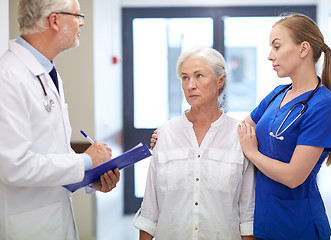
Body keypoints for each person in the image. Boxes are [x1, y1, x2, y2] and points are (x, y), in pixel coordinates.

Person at [0, 0, 120, 239]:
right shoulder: (9, 76)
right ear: (54, 20)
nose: (82, 23)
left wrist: (90, 178)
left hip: (54, 220)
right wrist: (86, 161)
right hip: (28, 227)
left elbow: (51, 151)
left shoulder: (47, 72)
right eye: (77, 16)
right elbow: (14, 167)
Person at [133, 48, 256, 240]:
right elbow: (150, 212)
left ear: (220, 81)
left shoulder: (239, 136)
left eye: (199, 76)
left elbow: (248, 216)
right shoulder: (165, 134)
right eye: (185, 77)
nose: (190, 85)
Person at [237, 13, 331, 240]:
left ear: (303, 49)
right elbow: (239, 132)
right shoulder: (278, 94)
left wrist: (252, 153)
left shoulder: (324, 106)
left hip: (298, 226)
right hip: (264, 221)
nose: (269, 56)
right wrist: (174, 135)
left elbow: (294, 176)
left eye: (276, 46)